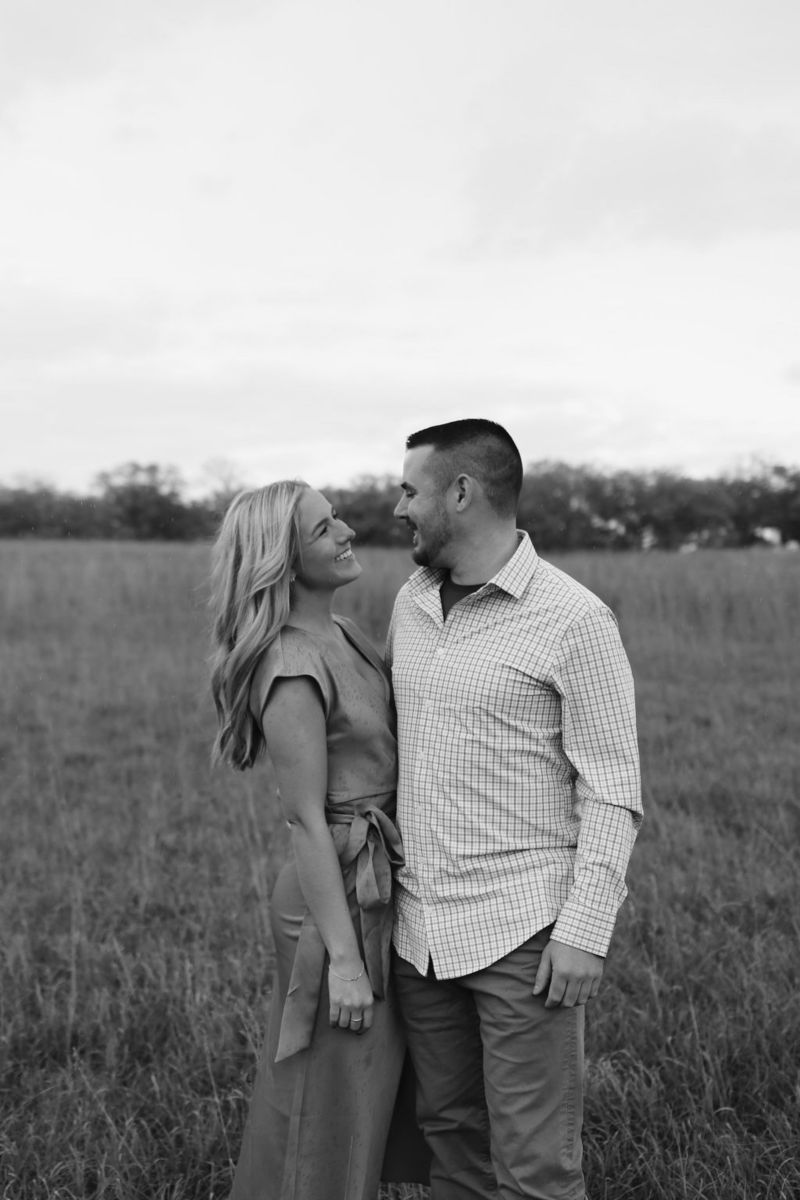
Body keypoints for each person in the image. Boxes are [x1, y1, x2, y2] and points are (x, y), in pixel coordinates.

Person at [386, 419, 643, 1200]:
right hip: (419, 934)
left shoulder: (574, 619)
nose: (398, 509)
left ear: (461, 492)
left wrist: (584, 933)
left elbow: (613, 788)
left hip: (522, 935)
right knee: (451, 1141)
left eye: (409, 491)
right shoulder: (410, 602)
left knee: (535, 1168)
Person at [209, 480, 428, 1200]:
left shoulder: (347, 633)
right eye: (323, 529)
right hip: (330, 901)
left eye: (337, 519)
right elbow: (304, 818)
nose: (347, 533)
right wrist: (344, 962)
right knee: (320, 1101)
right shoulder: (291, 664)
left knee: (357, 1093)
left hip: (374, 879)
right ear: (283, 558)